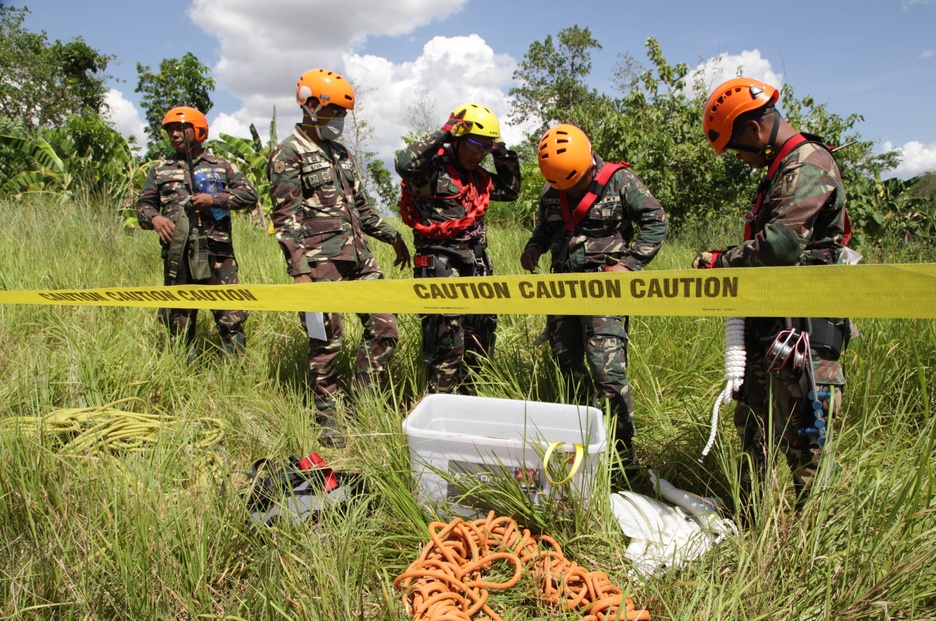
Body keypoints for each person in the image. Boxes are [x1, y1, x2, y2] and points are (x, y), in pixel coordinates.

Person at [694, 77, 853, 512]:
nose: (740, 160)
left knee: (807, 444)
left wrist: (720, 262)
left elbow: (781, 244)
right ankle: (752, 529)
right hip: (771, 326)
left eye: (736, 149)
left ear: (756, 131)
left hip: (804, 333)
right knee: (754, 434)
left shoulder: (808, 163)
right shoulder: (780, 171)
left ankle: (812, 551)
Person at [268, 68, 411, 447]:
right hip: (319, 265)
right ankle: (327, 416)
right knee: (326, 341)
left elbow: (361, 208)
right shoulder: (287, 153)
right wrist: (299, 271)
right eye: (335, 114)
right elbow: (286, 218)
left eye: (344, 116)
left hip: (360, 259)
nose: (340, 123)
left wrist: (393, 237)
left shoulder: (341, 153)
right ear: (311, 105)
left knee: (385, 329)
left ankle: (364, 402)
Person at [520, 124, 668, 486]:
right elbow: (547, 227)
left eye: (575, 183)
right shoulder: (552, 186)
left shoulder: (620, 181)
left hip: (605, 291)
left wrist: (629, 264)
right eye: (561, 186)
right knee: (564, 359)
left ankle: (622, 456)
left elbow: (656, 220)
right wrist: (534, 246)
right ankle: (584, 434)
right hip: (562, 289)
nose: (568, 190)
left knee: (607, 370)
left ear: (588, 164)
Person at [395, 103, 520, 394]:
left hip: (476, 266)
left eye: (485, 149)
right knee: (447, 344)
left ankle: (470, 404)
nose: (479, 154)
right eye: (475, 145)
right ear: (459, 138)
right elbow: (404, 163)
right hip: (440, 267)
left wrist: (501, 151)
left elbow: (511, 190)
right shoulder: (430, 171)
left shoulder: (480, 176)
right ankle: (441, 409)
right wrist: (445, 132)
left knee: (480, 340)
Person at [136, 106, 259, 361]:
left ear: (199, 130)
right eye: (170, 130)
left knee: (230, 316)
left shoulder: (222, 165)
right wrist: (155, 219)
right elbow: (143, 206)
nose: (174, 135)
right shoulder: (160, 169)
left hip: (218, 254)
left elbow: (249, 194)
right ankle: (181, 372)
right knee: (179, 319)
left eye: (181, 129)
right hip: (178, 254)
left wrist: (214, 200)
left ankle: (235, 373)